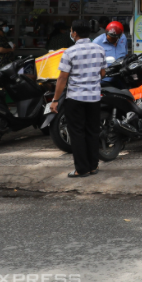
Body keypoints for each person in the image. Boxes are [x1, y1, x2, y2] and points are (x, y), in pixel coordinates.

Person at [50, 20, 106, 178]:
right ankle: (93, 166)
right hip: (94, 98)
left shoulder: (70, 52)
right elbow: (102, 73)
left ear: (74, 33)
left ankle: (81, 169)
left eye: (71, 30)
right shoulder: (100, 49)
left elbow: (62, 78)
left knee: (77, 133)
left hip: (75, 98)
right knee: (93, 132)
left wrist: (55, 100)